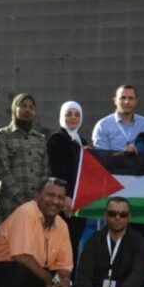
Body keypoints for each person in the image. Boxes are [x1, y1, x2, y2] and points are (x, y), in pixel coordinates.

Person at [56, 197, 144, 287]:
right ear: (105, 215)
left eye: (123, 214)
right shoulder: (94, 239)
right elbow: (83, 273)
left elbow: (138, 273)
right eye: (112, 213)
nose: (117, 218)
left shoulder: (138, 241)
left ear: (129, 217)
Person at [0, 93, 48, 227]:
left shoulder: (40, 139)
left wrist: (38, 196)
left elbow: (46, 170)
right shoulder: (3, 135)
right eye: (23, 106)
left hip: (36, 204)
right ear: (14, 108)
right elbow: (3, 169)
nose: (27, 110)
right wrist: (21, 198)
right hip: (10, 203)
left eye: (31, 107)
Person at [47, 101, 89, 261]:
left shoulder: (82, 142)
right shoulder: (57, 139)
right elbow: (56, 171)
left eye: (77, 115)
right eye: (68, 114)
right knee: (59, 245)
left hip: (80, 203)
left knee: (73, 244)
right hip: (63, 202)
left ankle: (69, 277)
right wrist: (65, 196)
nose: (73, 118)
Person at [91, 85, 144, 152]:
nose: (126, 102)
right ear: (115, 100)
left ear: (136, 101)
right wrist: (122, 154)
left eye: (131, 98)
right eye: (123, 98)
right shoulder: (102, 125)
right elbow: (101, 155)